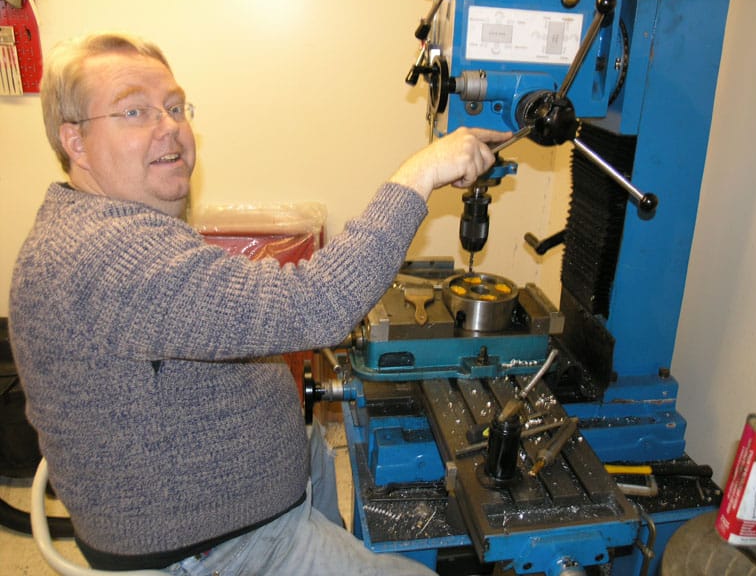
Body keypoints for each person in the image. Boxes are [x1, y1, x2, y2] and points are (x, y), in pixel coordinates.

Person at [9, 32, 511, 575]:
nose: (170, 125)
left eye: (175, 106)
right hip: (221, 550)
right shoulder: (106, 253)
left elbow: (239, 304)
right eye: (135, 110)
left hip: (262, 496)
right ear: (75, 143)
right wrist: (422, 172)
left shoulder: (115, 223)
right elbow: (317, 304)